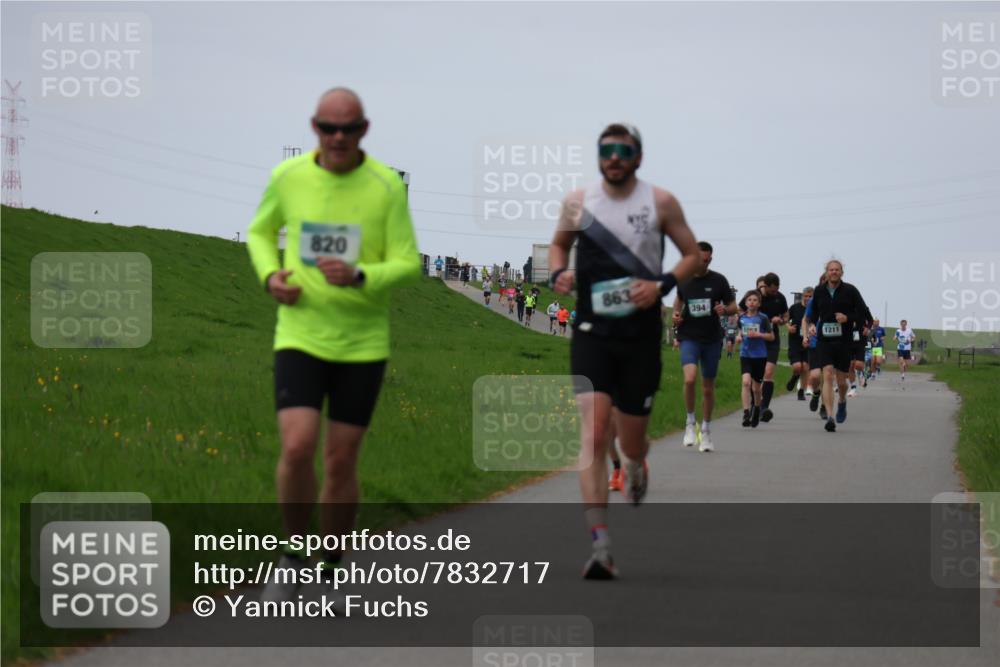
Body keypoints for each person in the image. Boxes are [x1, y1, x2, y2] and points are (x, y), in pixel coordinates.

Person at [247, 87, 420, 602]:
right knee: (298, 445)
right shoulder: (289, 177)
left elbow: (408, 262)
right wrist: (269, 276)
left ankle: (332, 565)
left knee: (341, 461)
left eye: (348, 128)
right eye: (328, 128)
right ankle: (293, 554)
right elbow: (260, 233)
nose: (338, 137)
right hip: (300, 332)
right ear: (314, 128)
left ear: (364, 130)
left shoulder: (385, 186)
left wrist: (362, 273)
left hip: (362, 344)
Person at [549, 122, 701, 580]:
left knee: (630, 440)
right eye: (606, 150)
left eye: (623, 150)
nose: (614, 157)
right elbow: (559, 246)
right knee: (594, 435)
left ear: (637, 157)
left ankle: (635, 465)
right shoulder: (579, 201)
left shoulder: (660, 202)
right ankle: (600, 545)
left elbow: (690, 254)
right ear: (598, 157)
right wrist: (560, 273)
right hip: (592, 331)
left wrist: (662, 286)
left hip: (639, 338)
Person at [671, 241, 737, 452]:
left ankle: (706, 430)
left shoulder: (719, 280)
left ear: (710, 259)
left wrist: (725, 310)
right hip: (689, 336)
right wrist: (675, 315)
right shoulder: (684, 279)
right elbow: (678, 301)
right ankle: (690, 422)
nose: (703, 263)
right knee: (689, 378)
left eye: (707, 260)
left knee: (708, 387)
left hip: (711, 338)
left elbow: (734, 306)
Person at [806, 259, 868, 432]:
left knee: (841, 382)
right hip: (824, 340)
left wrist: (847, 318)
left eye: (837, 270)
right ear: (826, 272)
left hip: (844, 341)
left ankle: (842, 401)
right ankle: (830, 416)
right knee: (827, 375)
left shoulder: (850, 290)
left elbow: (863, 313)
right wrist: (811, 325)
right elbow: (814, 314)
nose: (834, 272)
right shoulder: (819, 291)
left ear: (842, 272)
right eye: (831, 270)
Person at [736, 290, 774, 427]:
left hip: (760, 356)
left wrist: (759, 334)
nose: (752, 302)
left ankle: (757, 408)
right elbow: (740, 331)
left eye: (755, 300)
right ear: (745, 303)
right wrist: (739, 336)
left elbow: (771, 336)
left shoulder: (763, 318)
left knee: (757, 389)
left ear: (759, 303)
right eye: (749, 300)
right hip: (745, 354)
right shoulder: (741, 318)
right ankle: (746, 413)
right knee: (746, 382)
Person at [786, 290, 809, 400]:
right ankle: (795, 377)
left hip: (808, 342)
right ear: (802, 296)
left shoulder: (815, 309)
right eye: (806, 296)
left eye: (810, 296)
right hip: (795, 341)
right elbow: (785, 319)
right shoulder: (795, 308)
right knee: (797, 367)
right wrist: (788, 327)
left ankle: (801, 391)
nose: (808, 298)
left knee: (805, 367)